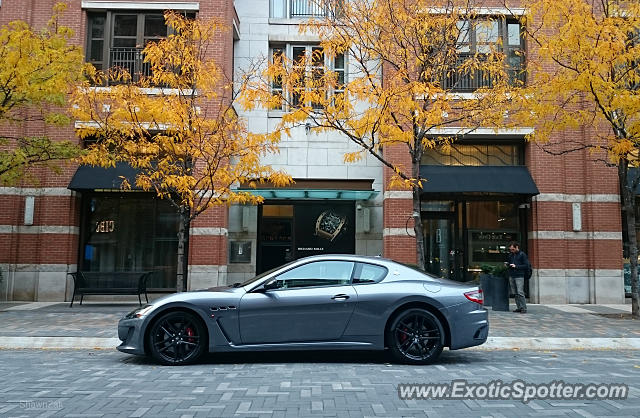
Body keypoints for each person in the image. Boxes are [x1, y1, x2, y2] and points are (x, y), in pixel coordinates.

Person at [507, 241, 529, 313]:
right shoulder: (511, 255)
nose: (511, 251)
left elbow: (526, 265)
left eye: (513, 249)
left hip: (519, 275)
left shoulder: (522, 255)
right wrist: (508, 264)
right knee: (515, 293)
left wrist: (516, 266)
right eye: (510, 249)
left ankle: (524, 308)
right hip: (512, 275)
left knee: (520, 292)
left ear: (517, 247)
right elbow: (510, 263)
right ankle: (519, 307)